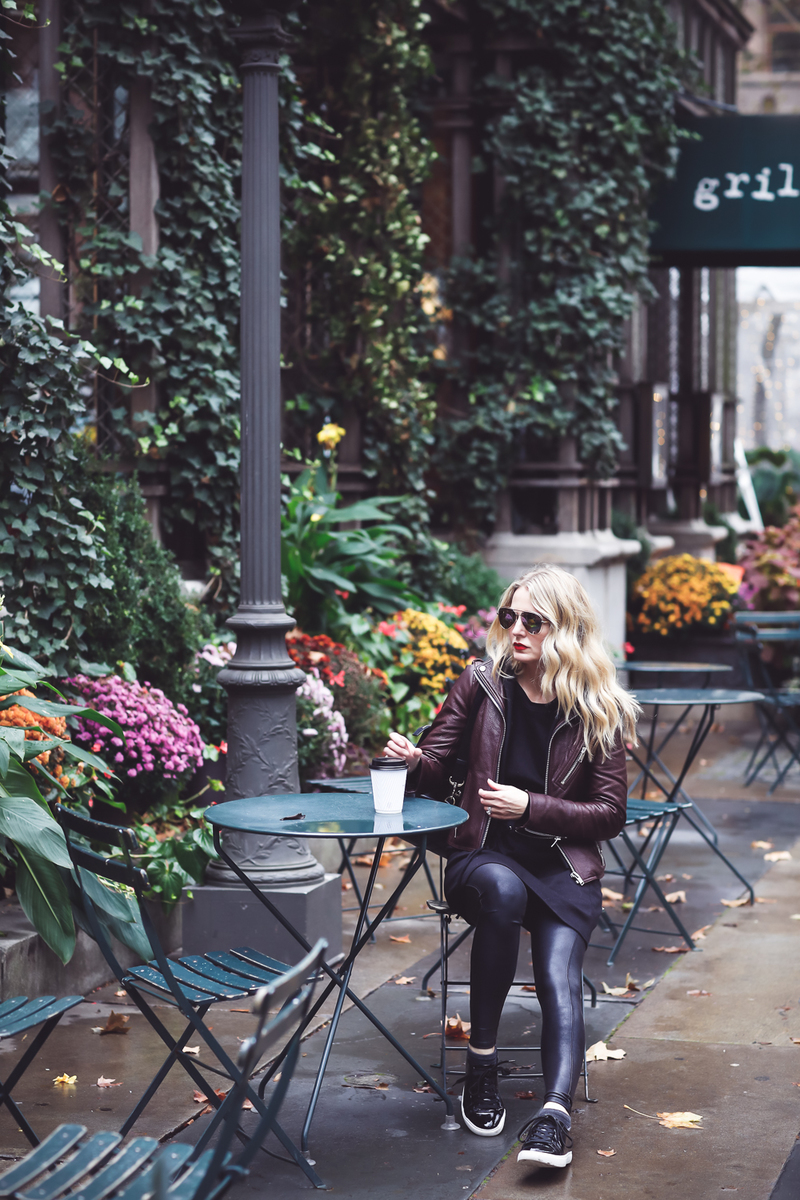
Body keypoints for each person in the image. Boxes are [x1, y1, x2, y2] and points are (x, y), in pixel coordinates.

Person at [384, 564, 639, 1168]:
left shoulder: (595, 708)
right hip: (483, 854)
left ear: (566, 628)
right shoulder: (482, 682)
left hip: (560, 868)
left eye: (533, 620)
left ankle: (554, 1114)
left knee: (556, 974)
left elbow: (609, 814)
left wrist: (533, 807)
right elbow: (439, 769)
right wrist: (411, 758)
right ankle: (482, 1065)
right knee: (500, 891)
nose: (516, 630)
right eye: (509, 617)